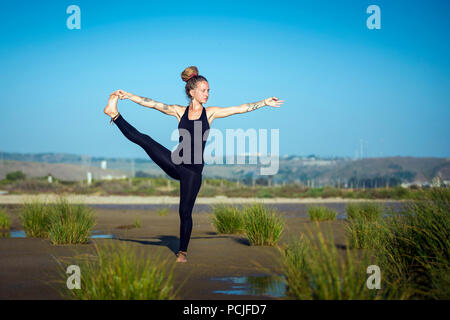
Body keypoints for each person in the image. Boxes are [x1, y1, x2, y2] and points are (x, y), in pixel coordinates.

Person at [104, 66, 284, 262]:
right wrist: (130, 96)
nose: (207, 94)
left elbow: (239, 108)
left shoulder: (210, 114)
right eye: (203, 90)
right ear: (192, 92)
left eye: (208, 91)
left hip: (193, 172)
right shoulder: (179, 111)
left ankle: (182, 252)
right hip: (176, 162)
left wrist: (264, 102)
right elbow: (153, 104)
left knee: (184, 212)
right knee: (145, 140)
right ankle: (114, 114)